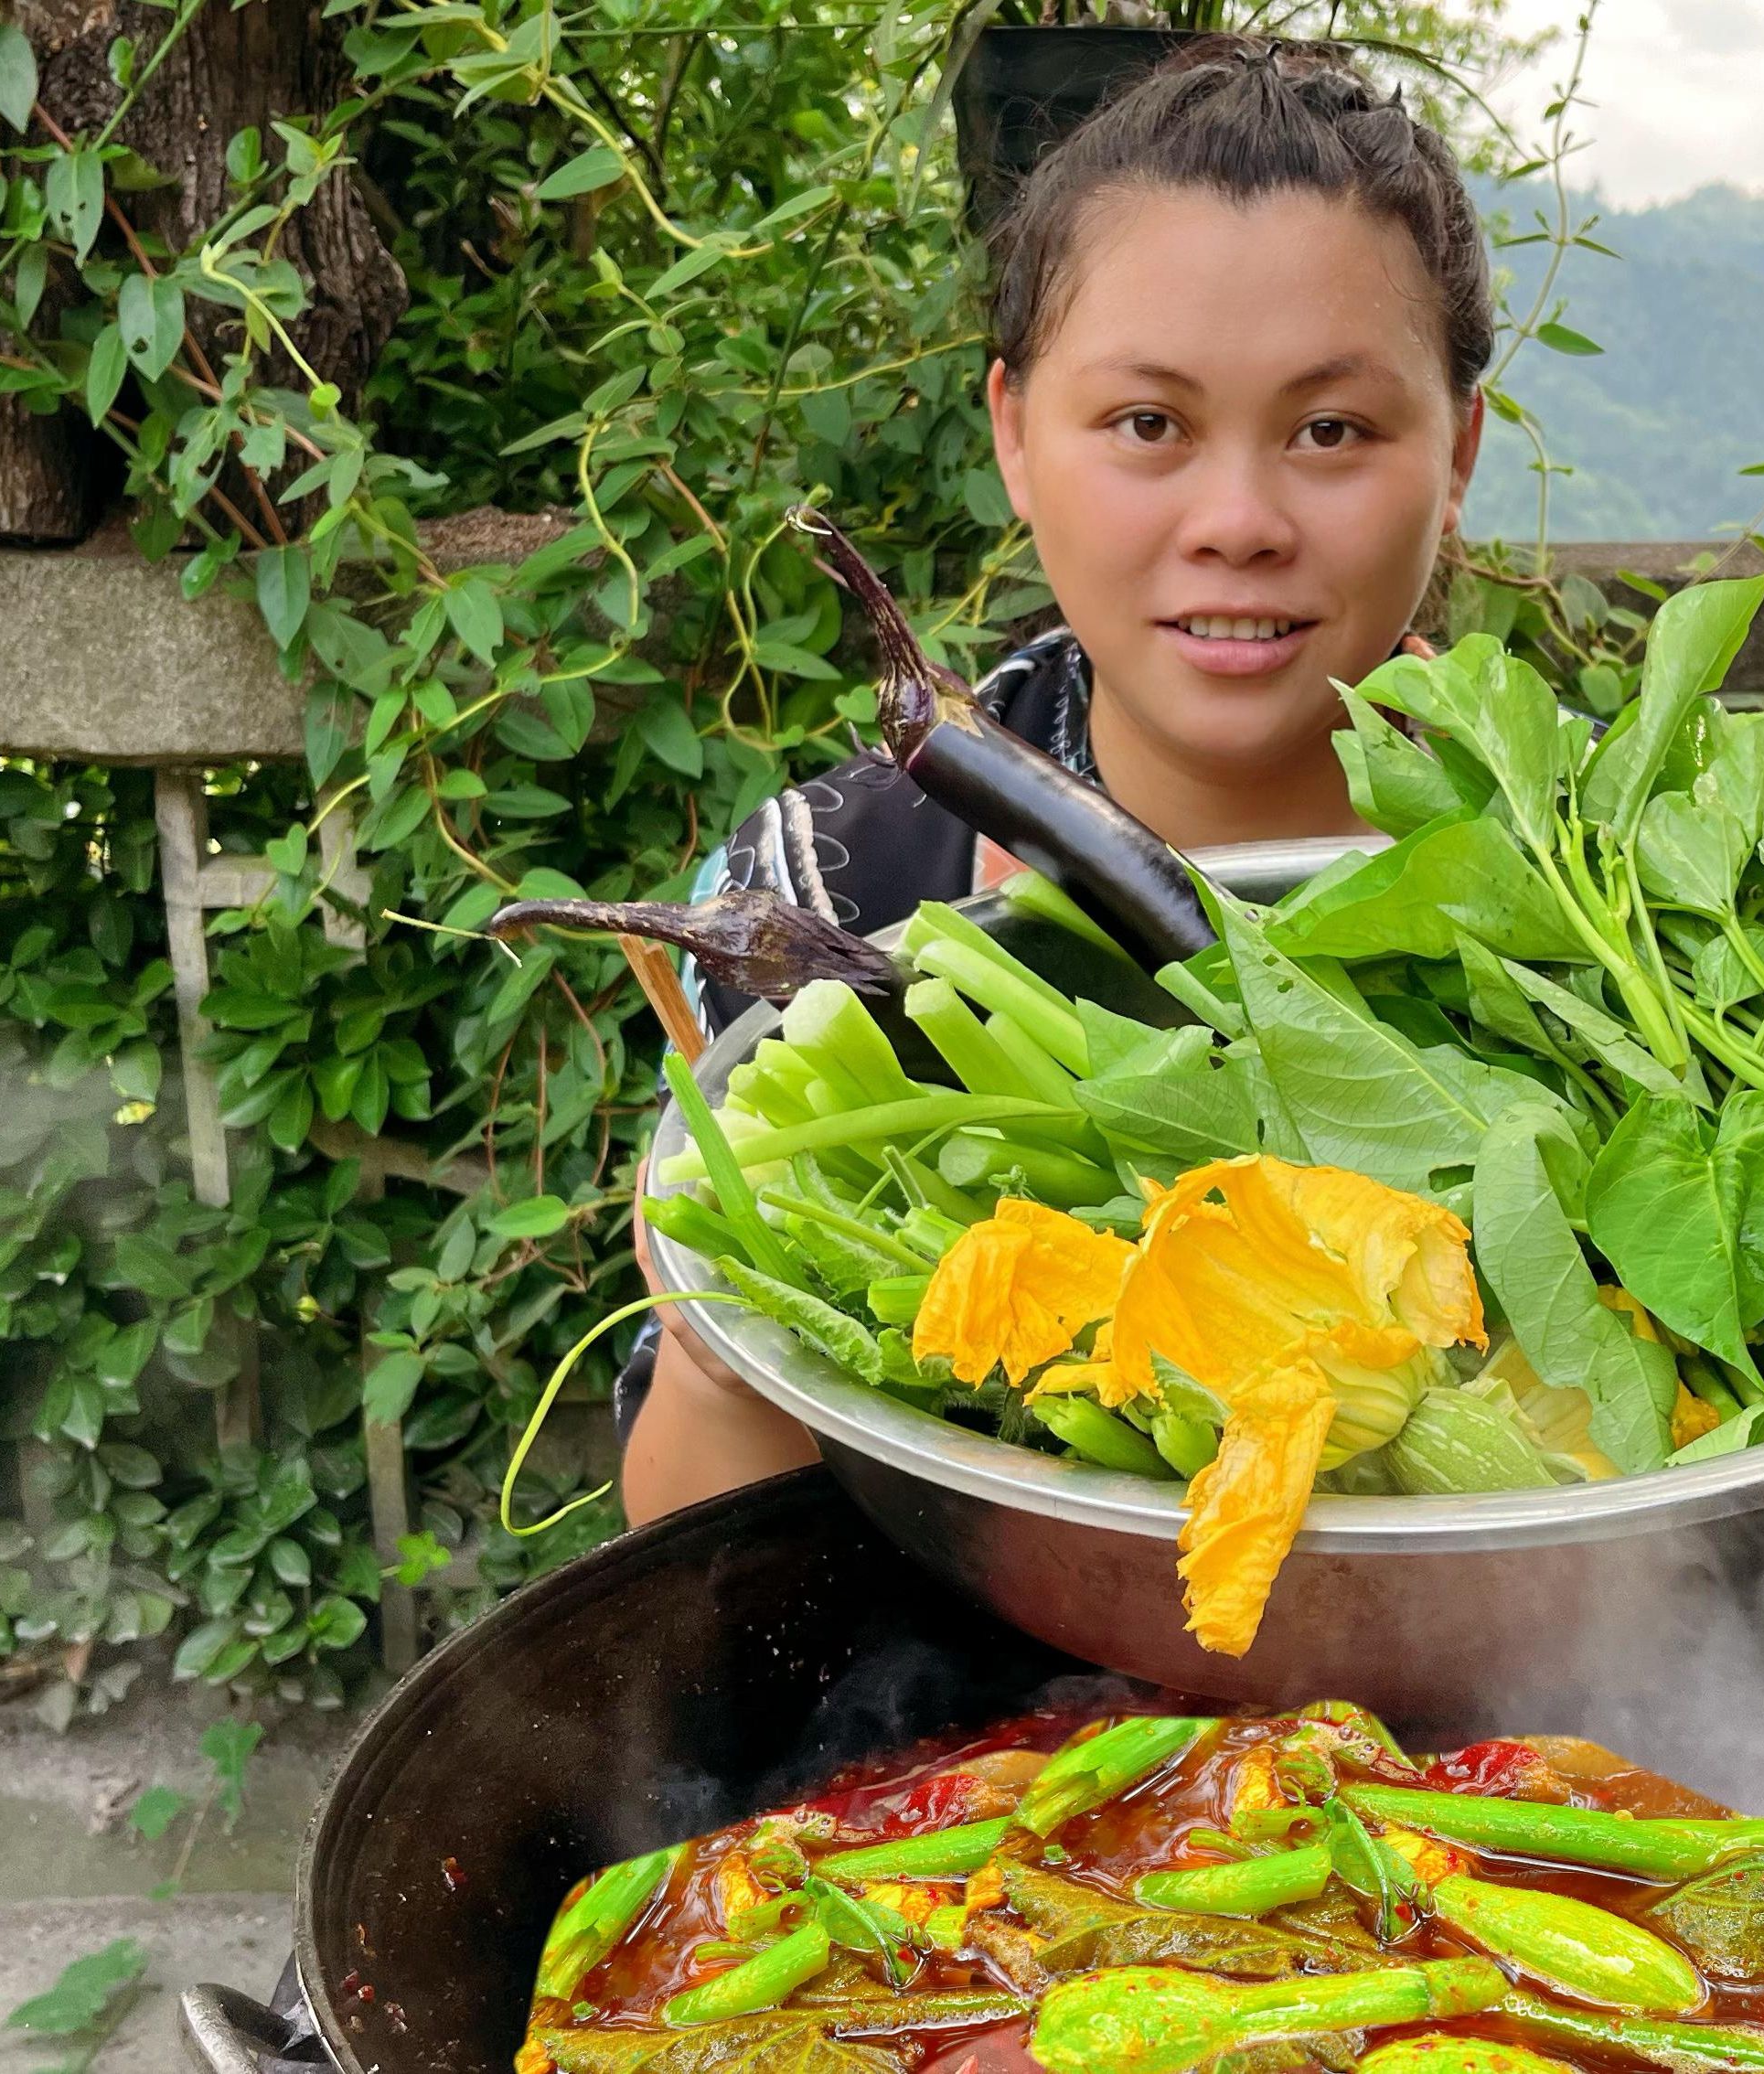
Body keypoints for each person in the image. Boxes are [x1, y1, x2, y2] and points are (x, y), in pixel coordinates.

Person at [615, 37, 1494, 1524]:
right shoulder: (829, 892)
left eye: (1331, 430)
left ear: (1456, 449)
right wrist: (723, 1345)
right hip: (985, 1747)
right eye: (1148, 424)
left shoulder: (1616, 892)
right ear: (1017, 434)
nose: (1238, 520)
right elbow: (705, 1553)